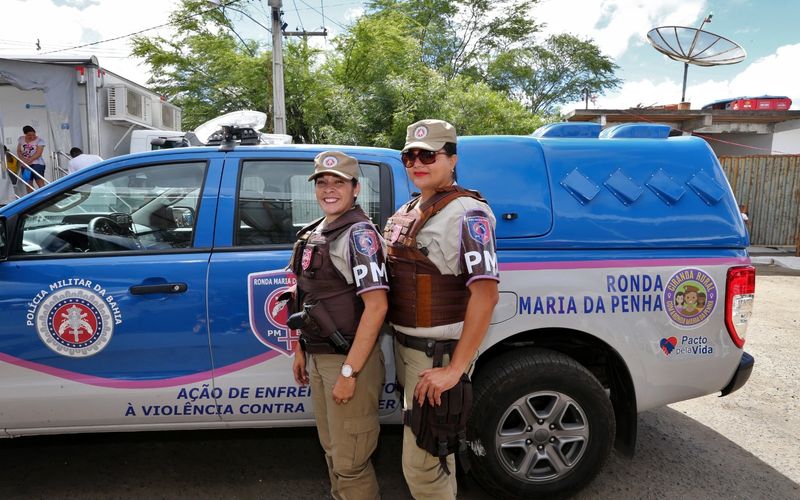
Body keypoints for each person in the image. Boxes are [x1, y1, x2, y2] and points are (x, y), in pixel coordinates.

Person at [384, 119, 500, 499]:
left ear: (451, 159)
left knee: (420, 467)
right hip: (410, 352)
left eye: (428, 155)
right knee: (438, 449)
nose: (417, 162)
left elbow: (485, 295)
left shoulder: (468, 212)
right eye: (409, 155)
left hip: (437, 358)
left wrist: (454, 369)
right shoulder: (413, 207)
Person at [289, 151, 389, 500]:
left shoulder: (359, 235)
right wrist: (300, 350)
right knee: (333, 451)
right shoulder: (319, 230)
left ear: (356, 189)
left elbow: (376, 308)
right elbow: (307, 294)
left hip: (348, 361)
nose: (329, 189)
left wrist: (349, 372)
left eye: (339, 183)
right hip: (320, 357)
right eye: (322, 182)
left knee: (351, 461)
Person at [17, 125, 46, 192]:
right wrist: (23, 160)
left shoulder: (40, 141)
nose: (32, 136)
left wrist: (28, 161)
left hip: (37, 164)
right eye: (29, 135)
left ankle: (45, 198)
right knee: (28, 182)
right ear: (25, 134)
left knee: (39, 181)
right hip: (25, 165)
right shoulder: (21, 139)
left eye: (33, 134)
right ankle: (32, 200)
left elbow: (39, 153)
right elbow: (19, 151)